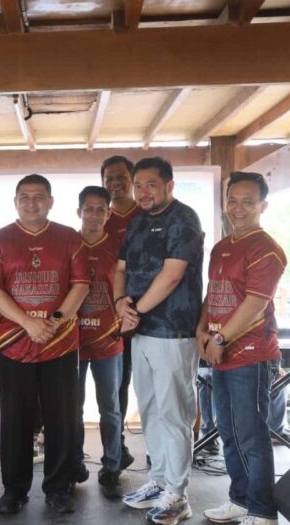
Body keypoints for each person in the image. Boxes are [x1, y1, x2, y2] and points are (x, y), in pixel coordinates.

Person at [0, 174, 90, 516]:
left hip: (60, 344)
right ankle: (14, 490)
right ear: (15, 202)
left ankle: (58, 488)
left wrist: (54, 321)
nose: (32, 202)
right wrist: (27, 323)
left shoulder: (69, 237)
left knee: (62, 418)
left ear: (51, 201)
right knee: (15, 420)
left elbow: (81, 285)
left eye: (39, 196)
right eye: (25, 196)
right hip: (14, 344)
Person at [115, 157, 204, 524]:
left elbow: (172, 275)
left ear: (169, 184)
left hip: (174, 332)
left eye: (151, 184)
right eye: (138, 185)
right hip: (142, 332)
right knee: (150, 410)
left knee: (174, 414)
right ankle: (159, 480)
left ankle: (177, 494)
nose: (143, 192)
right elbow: (120, 268)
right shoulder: (137, 222)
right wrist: (120, 304)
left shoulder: (184, 219)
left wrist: (133, 311)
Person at [199, 172, 286, 525]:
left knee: (251, 434)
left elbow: (255, 303)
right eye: (232, 200)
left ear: (263, 205)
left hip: (251, 355)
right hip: (220, 352)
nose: (238, 208)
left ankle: (262, 511)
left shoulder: (267, 249)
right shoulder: (221, 246)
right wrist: (201, 331)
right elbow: (212, 292)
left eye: (248, 202)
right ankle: (239, 498)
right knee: (229, 431)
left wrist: (220, 339)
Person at [73, 186, 124, 499]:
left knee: (111, 409)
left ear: (108, 213)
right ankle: (74, 464)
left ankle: (112, 467)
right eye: (88, 209)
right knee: (72, 408)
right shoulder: (68, 243)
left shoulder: (118, 246)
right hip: (72, 342)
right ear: (79, 211)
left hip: (108, 340)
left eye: (100, 209)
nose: (94, 215)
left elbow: (127, 289)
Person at [101, 155, 140, 469]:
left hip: (154, 312)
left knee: (155, 387)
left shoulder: (148, 214)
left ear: (132, 179)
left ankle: (161, 451)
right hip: (114, 316)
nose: (115, 184)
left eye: (121, 177)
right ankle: (118, 447)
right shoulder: (101, 218)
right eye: (109, 179)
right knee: (119, 385)